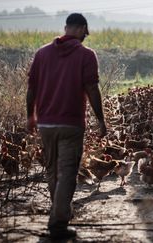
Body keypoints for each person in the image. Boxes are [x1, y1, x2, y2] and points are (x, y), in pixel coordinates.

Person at [26, 13, 107, 239]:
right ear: (81, 29)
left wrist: (30, 117)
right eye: (85, 33)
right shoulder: (86, 55)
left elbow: (31, 89)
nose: (84, 37)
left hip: (46, 123)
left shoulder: (42, 54)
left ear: (66, 28)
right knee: (67, 173)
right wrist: (100, 119)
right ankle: (59, 223)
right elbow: (92, 89)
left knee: (52, 171)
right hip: (71, 124)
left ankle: (59, 212)